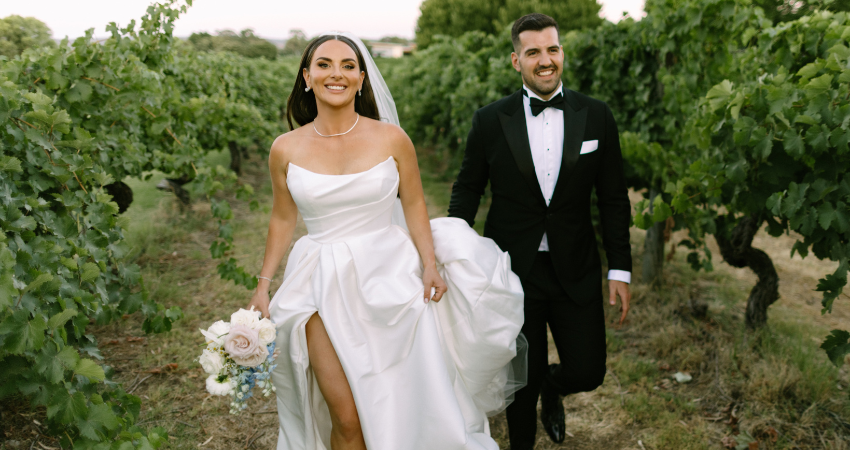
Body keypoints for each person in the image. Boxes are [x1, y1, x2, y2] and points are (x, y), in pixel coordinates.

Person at [247, 32, 527, 450]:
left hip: (392, 282)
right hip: (319, 284)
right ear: (307, 76)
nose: (335, 73)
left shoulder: (392, 140)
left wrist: (430, 264)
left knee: (399, 405)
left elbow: (414, 205)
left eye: (347, 65)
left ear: (362, 78)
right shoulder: (284, 149)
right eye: (324, 64)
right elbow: (283, 217)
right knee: (346, 416)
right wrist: (263, 285)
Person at [447, 13, 633, 450]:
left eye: (552, 49)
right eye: (533, 52)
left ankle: (556, 387)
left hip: (576, 264)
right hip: (513, 270)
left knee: (588, 371)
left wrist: (620, 269)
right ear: (517, 61)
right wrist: (450, 253)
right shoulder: (491, 120)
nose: (545, 60)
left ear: (561, 53)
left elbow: (613, 197)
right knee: (520, 382)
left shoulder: (597, 116)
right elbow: (468, 189)